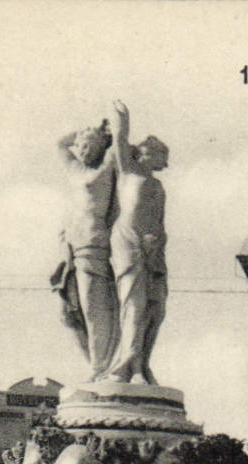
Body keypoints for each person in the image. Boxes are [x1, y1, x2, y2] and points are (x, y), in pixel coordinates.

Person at [106, 100, 167, 384]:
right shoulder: (128, 172)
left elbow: (159, 221)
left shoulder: (157, 186)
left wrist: (157, 243)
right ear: (147, 153)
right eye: (162, 155)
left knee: (156, 309)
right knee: (134, 304)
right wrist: (121, 117)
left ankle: (143, 363)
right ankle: (128, 367)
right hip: (127, 242)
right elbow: (119, 140)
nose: (165, 163)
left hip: (153, 250)